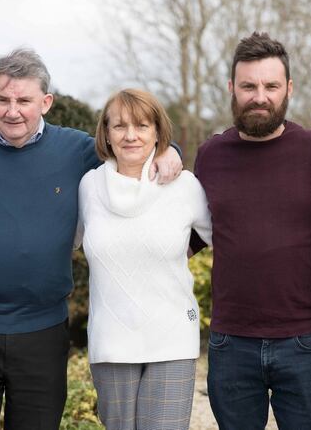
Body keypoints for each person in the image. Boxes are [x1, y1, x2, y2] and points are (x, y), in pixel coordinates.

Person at [0, 49, 183, 429]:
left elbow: (130, 148)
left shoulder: (76, 150)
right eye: (2, 100)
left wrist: (170, 151)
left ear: (46, 102)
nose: (12, 110)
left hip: (43, 328)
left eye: (24, 100)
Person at [191, 32, 311, 429]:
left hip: (302, 338)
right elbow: (192, 233)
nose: (260, 97)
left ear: (288, 89)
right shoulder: (212, 155)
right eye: (249, 86)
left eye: (271, 86)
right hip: (230, 340)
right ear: (231, 88)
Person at [76, 89, 212, 429]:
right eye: (119, 126)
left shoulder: (184, 186)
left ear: (157, 132)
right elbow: (73, 242)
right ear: (106, 133)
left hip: (172, 338)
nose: (131, 135)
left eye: (142, 125)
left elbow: (215, 236)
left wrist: (173, 251)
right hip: (110, 343)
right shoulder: (89, 187)